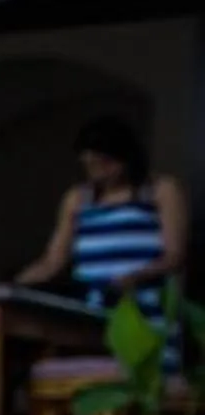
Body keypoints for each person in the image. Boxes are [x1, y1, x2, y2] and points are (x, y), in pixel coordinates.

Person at [17, 116, 186, 313]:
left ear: (127, 158)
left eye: (106, 163)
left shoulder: (161, 190)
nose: (100, 172)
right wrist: (15, 286)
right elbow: (53, 261)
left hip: (145, 309)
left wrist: (136, 277)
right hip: (88, 307)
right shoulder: (78, 198)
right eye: (92, 164)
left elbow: (175, 255)